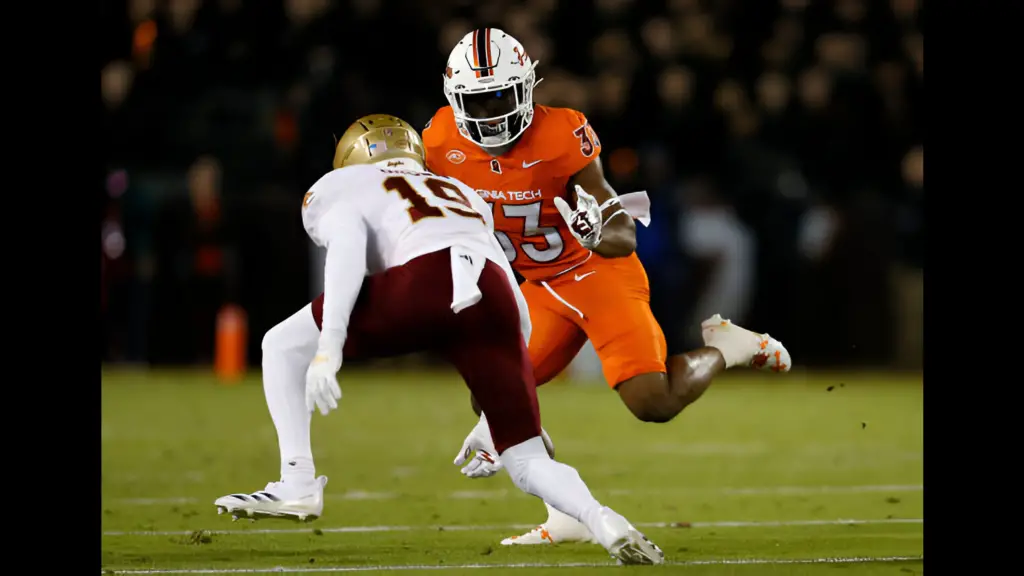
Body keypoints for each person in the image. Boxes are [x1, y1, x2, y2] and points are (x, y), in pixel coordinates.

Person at [212, 114, 665, 565]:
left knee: (281, 345)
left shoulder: (339, 187)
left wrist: (329, 346)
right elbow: (512, 297)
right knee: (525, 459)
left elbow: (349, 247)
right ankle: (603, 520)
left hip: (424, 282)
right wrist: (501, 399)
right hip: (493, 295)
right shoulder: (463, 193)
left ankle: (298, 482)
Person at [423, 28, 793, 546]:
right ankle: (566, 515)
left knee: (653, 403)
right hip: (542, 286)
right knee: (490, 393)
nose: (493, 114)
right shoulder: (439, 141)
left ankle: (727, 348)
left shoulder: (561, 133)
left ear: (527, 88)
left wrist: (598, 229)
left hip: (597, 276)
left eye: (503, 97)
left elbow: (619, 226)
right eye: (480, 101)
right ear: (455, 101)